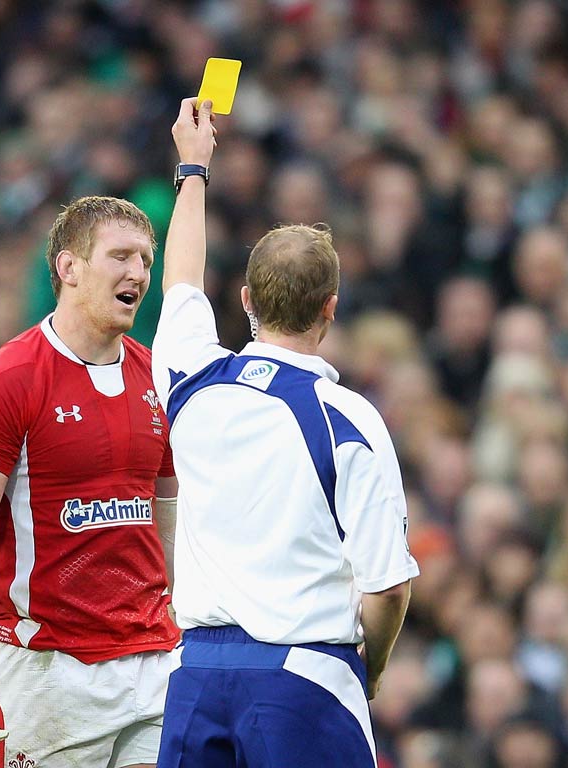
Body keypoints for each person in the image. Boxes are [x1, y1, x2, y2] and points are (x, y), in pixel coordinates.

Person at [151, 98, 419, 768]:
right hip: (305, 682)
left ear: (244, 300)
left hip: (195, 679)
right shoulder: (349, 419)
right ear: (332, 308)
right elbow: (387, 589)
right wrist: (373, 666)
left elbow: (180, 279)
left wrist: (193, 167)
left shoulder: (190, 380)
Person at [0, 195, 179, 768]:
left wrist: (179, 623)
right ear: (69, 268)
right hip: (44, 670)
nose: (137, 272)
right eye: (119, 256)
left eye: (145, 258)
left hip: (151, 664)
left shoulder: (155, 378)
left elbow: (169, 519)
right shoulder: (5, 383)